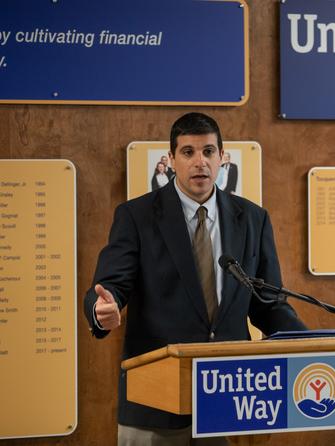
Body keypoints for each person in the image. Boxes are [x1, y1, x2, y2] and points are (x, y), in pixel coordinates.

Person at [83, 112, 307, 445]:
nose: (199, 161)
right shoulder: (136, 216)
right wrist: (103, 310)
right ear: (171, 159)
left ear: (222, 158)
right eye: (188, 152)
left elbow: (267, 304)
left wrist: (310, 343)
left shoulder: (253, 219)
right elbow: (110, 287)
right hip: (156, 403)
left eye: (208, 152)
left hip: (230, 400)